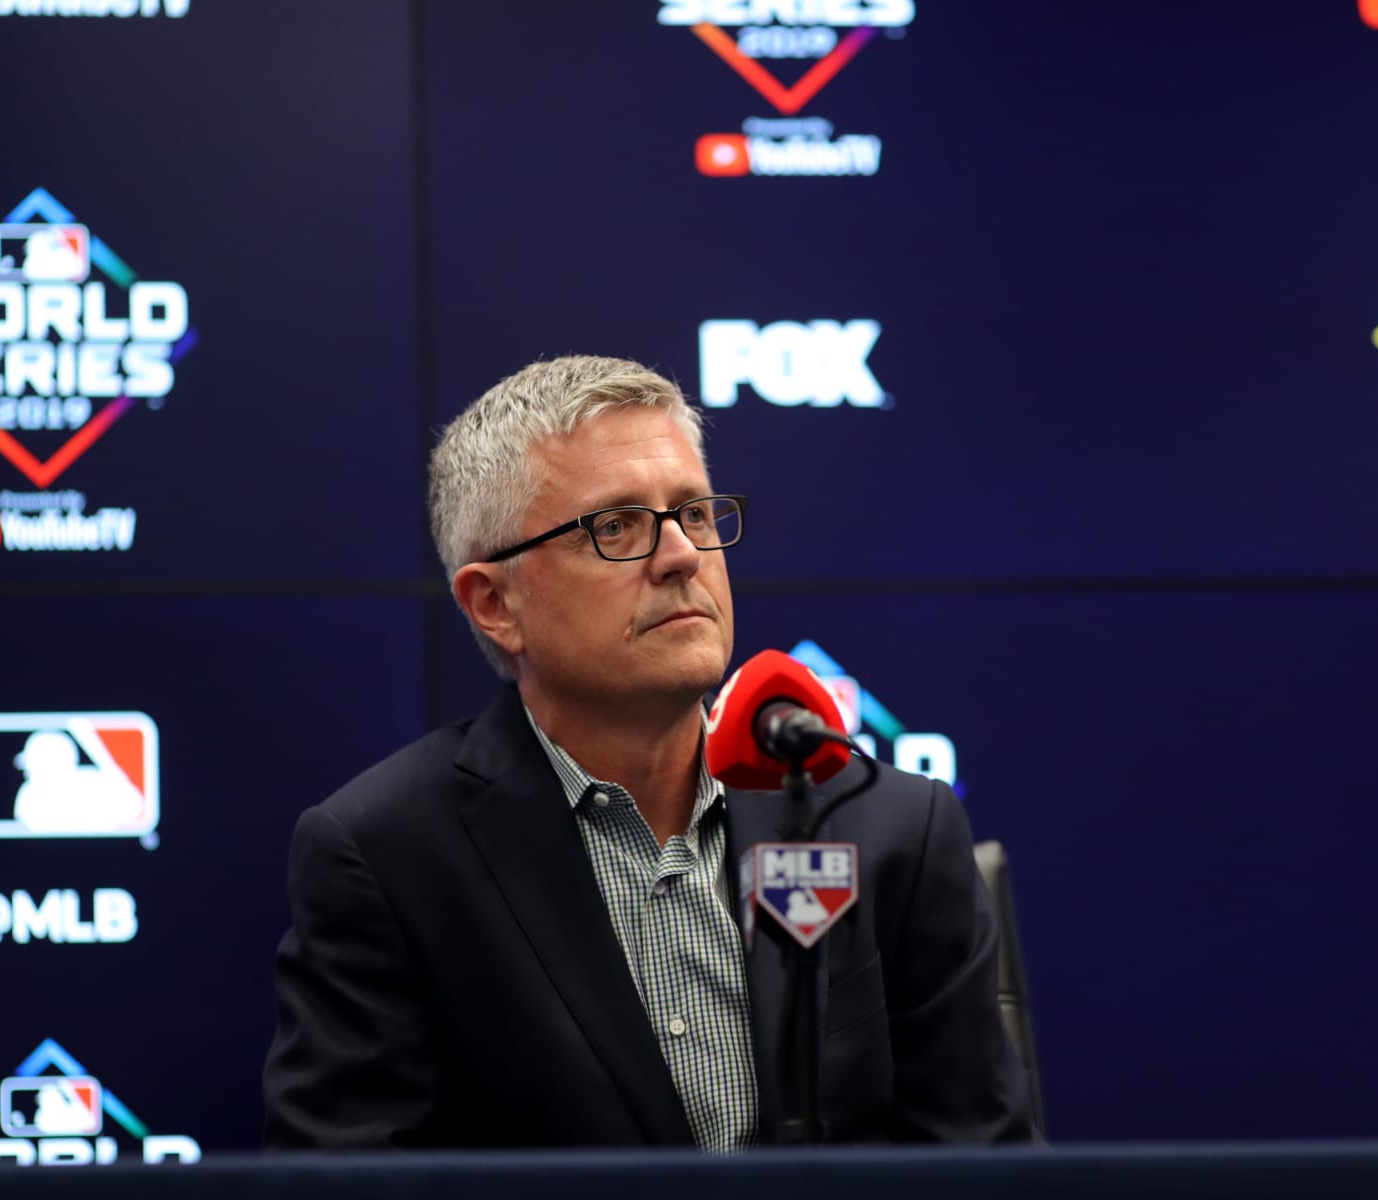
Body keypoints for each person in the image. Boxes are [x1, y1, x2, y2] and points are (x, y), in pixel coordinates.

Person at [262, 355, 1033, 1150]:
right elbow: (346, 1187)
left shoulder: (889, 826)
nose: (682, 556)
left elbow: (987, 1174)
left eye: (695, 514)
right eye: (615, 527)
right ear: (495, 604)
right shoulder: (389, 857)